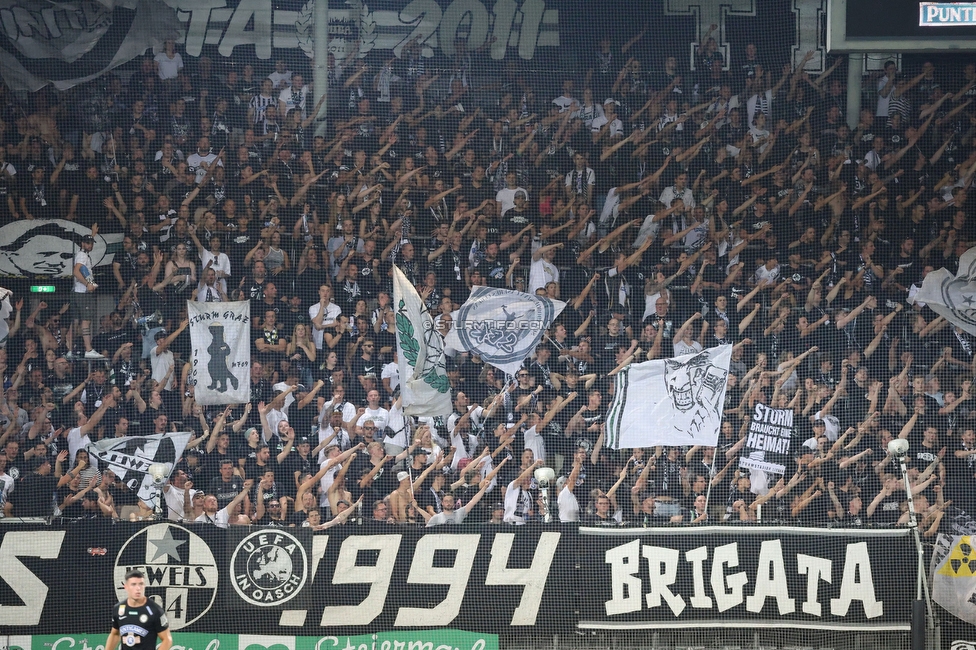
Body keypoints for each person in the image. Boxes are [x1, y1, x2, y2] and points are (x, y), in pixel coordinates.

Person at [105, 570, 173, 650]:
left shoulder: (155, 610)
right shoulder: (118, 609)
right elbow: (115, 634)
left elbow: (167, 640)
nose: (138, 588)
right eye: (133, 584)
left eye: (141, 584)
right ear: (126, 587)